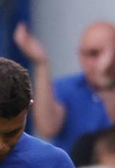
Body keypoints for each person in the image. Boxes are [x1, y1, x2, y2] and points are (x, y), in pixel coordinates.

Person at [12, 21, 115, 154]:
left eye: (96, 54)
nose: (92, 62)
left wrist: (105, 83)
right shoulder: (68, 87)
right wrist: (41, 63)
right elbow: (47, 128)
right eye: (86, 54)